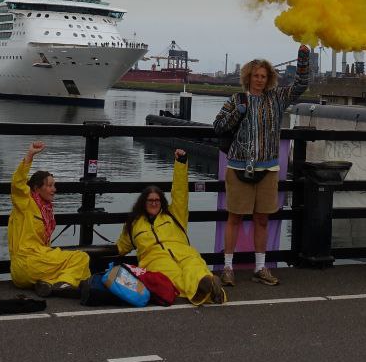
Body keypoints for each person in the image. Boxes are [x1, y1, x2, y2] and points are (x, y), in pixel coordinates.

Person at [212, 43, 310, 286]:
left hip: (267, 168)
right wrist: (239, 112)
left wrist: (303, 58)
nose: (259, 80)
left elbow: (300, 86)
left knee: (262, 219)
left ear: (269, 79)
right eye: (255, 76)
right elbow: (218, 126)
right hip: (238, 166)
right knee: (234, 217)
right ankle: (227, 267)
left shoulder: (276, 99)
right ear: (248, 77)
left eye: (263, 76)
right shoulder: (236, 99)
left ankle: (260, 267)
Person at [116, 149, 225, 305]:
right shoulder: (133, 224)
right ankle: (208, 290)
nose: (154, 203)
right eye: (150, 200)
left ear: (162, 202)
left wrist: (180, 164)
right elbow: (121, 246)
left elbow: (180, 192)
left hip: (183, 251)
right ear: (143, 203)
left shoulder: (174, 215)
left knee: (194, 266)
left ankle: (207, 283)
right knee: (171, 276)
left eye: (157, 200)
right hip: (154, 258)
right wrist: (102, 253)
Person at [9, 141, 91, 297]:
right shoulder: (26, 202)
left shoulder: (45, 210)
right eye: (50, 185)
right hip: (29, 262)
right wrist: (29, 156)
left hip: (27, 269)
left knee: (72, 263)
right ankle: (60, 284)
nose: (54, 189)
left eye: (54, 185)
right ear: (36, 188)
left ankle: (47, 284)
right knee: (81, 258)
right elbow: (18, 184)